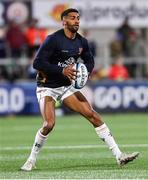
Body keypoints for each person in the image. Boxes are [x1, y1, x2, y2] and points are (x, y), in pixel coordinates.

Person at [21, 8, 139, 171]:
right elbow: (37, 63)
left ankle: (119, 155)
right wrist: (62, 70)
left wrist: (86, 72)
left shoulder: (81, 42)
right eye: (72, 18)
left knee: (93, 115)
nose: (76, 20)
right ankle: (31, 160)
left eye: (78, 18)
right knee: (49, 124)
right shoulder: (52, 40)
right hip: (47, 86)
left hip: (65, 86)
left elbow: (89, 61)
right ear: (64, 22)